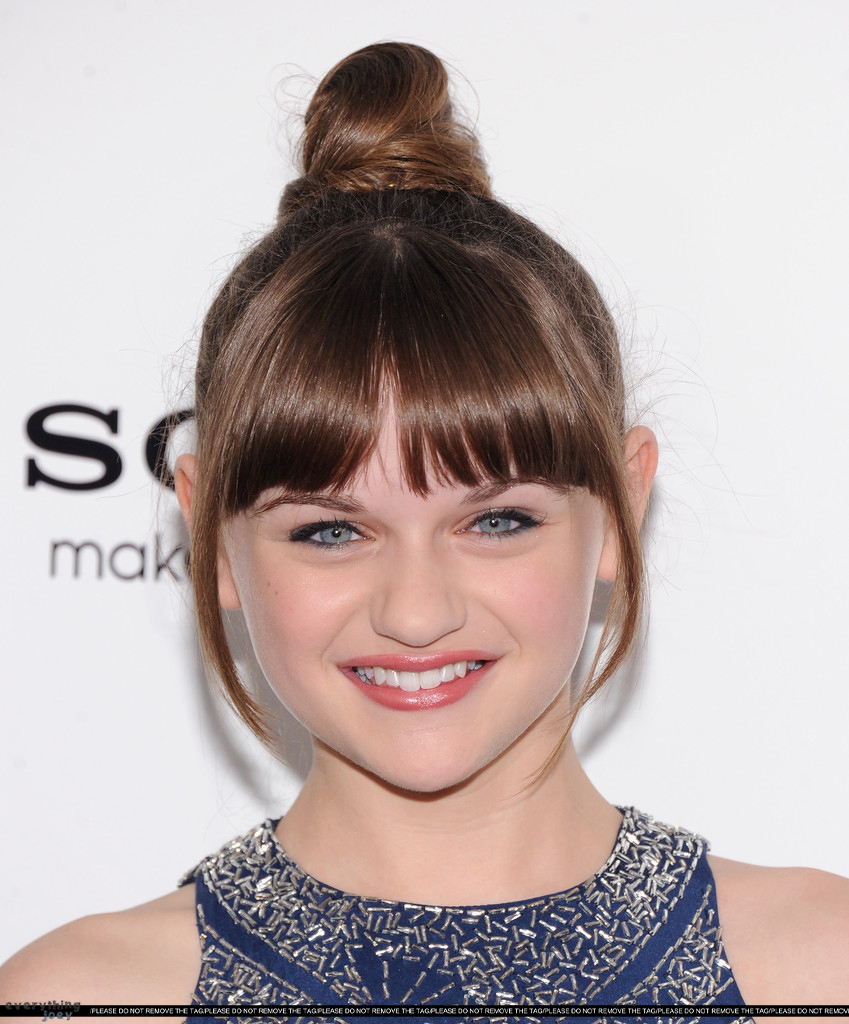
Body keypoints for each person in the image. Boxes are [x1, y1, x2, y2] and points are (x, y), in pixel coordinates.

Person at [2, 41, 848, 1014]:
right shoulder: (81, 1001)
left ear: (621, 509)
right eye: (330, 532)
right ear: (209, 539)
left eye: (496, 520)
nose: (414, 612)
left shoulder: (818, 970)